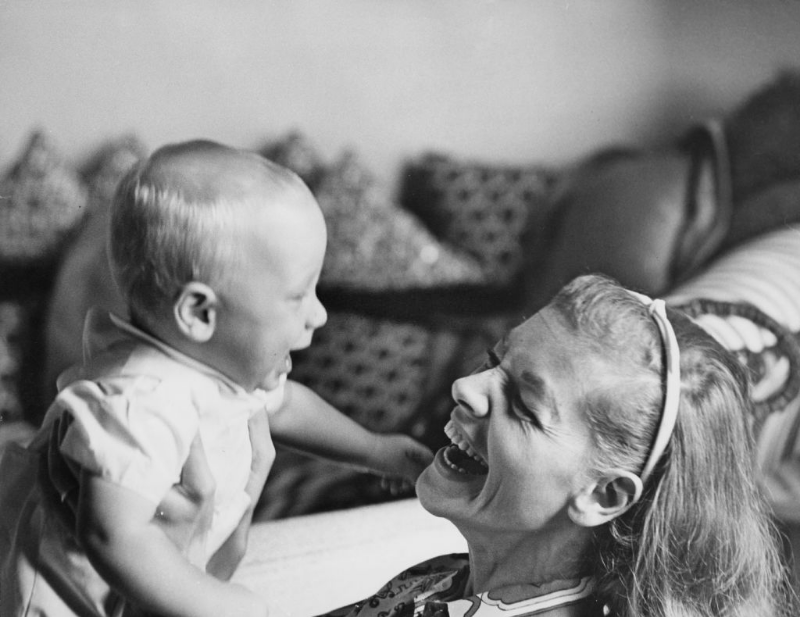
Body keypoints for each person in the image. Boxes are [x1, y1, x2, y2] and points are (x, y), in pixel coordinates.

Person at [0, 140, 432, 617]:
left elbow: (286, 406)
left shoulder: (214, 370)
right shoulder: (138, 402)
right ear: (199, 313)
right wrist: (215, 604)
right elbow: (115, 535)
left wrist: (376, 451)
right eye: (298, 296)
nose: (319, 314)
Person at [320, 274, 797, 617]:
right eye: (495, 358)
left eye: (525, 405)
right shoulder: (456, 578)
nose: (467, 387)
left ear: (603, 496)